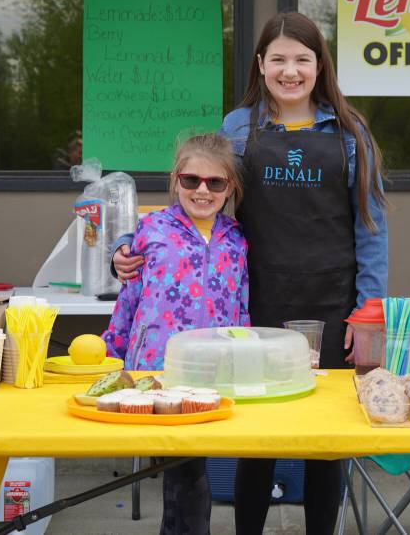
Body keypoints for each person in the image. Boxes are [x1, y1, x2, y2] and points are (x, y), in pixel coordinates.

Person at [113, 11, 389, 535]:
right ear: (261, 65)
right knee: (256, 439)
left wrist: (367, 310)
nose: (291, 71)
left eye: (302, 59)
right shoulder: (238, 128)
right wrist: (131, 244)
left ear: (319, 65)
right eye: (279, 59)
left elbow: (372, 229)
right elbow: (198, 202)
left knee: (326, 441)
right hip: (255, 306)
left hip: (333, 306)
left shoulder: (351, 133)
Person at [101, 132, 249, 535]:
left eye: (215, 182)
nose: (202, 190)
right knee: (182, 466)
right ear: (175, 180)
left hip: (211, 372)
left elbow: (242, 307)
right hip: (158, 370)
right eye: (191, 180)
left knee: (189, 466)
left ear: (229, 187)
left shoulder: (236, 240)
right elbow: (129, 300)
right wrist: (110, 354)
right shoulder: (149, 230)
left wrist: (245, 361)